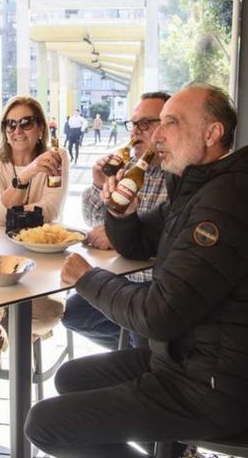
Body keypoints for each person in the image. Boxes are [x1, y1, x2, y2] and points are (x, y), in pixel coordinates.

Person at [25, 84, 248, 457]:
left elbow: (158, 315)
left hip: (214, 389)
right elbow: (138, 242)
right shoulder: (200, 188)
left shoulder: (232, 199)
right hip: (184, 360)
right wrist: (120, 212)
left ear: (212, 133)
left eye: (171, 122)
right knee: (72, 377)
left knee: (44, 424)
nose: (156, 135)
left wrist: (87, 278)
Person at [63, 92, 171, 350]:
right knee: (73, 312)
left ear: (167, 127)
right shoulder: (128, 165)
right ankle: (130, 350)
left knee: (139, 328)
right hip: (120, 276)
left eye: (145, 123)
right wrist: (98, 183)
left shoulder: (175, 173)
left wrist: (118, 235)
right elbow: (91, 220)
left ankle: (136, 357)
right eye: (133, 124)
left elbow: (164, 234)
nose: (135, 131)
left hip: (151, 284)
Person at [0, 95, 70, 376]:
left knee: (48, 313)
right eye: (10, 124)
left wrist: (10, 207)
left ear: (40, 128)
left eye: (26, 122)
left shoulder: (57, 158)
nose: (17, 130)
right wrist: (26, 175)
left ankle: (23, 337)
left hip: (44, 260)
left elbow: (50, 211)